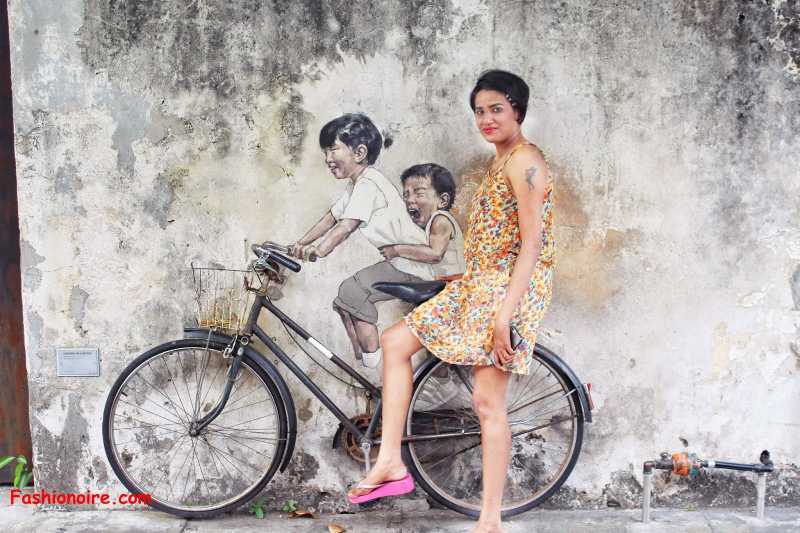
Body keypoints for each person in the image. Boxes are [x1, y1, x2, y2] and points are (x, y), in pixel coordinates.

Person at [345, 70, 555, 533]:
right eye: (479, 111)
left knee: (486, 402)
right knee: (396, 342)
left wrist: (504, 317)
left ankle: (491, 519)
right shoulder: (501, 163)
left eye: (496, 109)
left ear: (517, 109)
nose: (486, 119)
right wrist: (461, 278)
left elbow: (533, 246)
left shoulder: (526, 162)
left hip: (507, 291)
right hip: (480, 283)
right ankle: (391, 462)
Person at [289, 113, 433, 368]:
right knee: (345, 299)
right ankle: (365, 363)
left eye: (333, 149)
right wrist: (297, 244)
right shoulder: (357, 185)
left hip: (413, 263)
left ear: (359, 152)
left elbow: (346, 226)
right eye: (325, 151)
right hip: (402, 263)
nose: (327, 159)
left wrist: (319, 251)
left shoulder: (369, 184)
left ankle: (372, 368)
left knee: (352, 292)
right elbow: (331, 218)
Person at [380, 163, 466, 280]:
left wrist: (397, 250)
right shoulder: (427, 224)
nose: (409, 200)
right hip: (440, 281)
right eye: (406, 195)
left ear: (442, 200)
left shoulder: (440, 220)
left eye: (419, 194)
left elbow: (435, 255)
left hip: (454, 281)